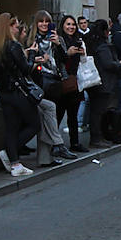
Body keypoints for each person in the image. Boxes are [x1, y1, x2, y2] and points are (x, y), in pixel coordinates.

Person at [0, 12, 37, 177]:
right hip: (17, 92)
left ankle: (15, 163)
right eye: (15, 26)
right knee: (34, 124)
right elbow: (26, 69)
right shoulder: (13, 46)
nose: (18, 29)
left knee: (12, 127)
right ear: (8, 27)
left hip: (4, 92)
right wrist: (32, 55)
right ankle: (10, 153)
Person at [24, 10, 72, 166]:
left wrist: (58, 45)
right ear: (36, 23)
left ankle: (47, 157)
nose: (44, 25)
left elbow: (65, 60)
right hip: (37, 82)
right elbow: (25, 64)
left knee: (52, 118)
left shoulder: (57, 39)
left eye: (47, 21)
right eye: (41, 21)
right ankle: (51, 152)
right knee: (44, 118)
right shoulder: (30, 40)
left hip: (55, 81)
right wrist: (36, 59)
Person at [84, 19, 121, 148]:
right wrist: (118, 65)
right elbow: (107, 63)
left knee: (96, 111)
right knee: (98, 112)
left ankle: (97, 136)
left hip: (94, 81)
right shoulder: (102, 46)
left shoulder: (91, 43)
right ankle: (96, 137)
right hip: (103, 82)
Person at [54, 14, 89, 151]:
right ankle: (54, 144)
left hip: (75, 81)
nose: (71, 27)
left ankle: (75, 143)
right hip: (62, 81)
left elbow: (84, 62)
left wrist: (83, 53)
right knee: (58, 114)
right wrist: (67, 53)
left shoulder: (78, 39)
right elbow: (57, 60)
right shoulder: (59, 40)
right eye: (68, 24)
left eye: (73, 24)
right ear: (63, 25)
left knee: (73, 115)